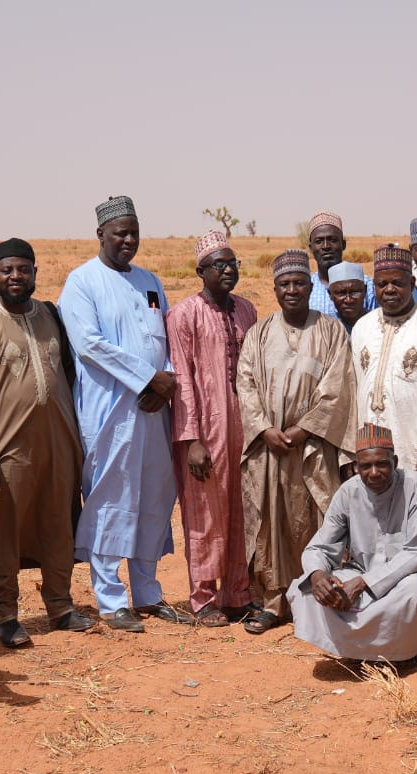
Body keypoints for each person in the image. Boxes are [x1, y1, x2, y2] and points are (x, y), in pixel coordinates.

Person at [59, 196, 192, 632]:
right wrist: (146, 378)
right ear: (101, 235)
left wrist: (167, 379)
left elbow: (168, 339)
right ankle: (111, 599)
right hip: (110, 413)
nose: (128, 240)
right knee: (111, 502)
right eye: (120, 233)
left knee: (154, 497)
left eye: (134, 232)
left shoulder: (150, 281)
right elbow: (89, 344)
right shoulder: (81, 283)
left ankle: (148, 593)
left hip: (154, 412)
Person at [0, 238, 92, 649]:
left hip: (59, 444)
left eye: (23, 270)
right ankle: (5, 614)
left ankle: (60, 606)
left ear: (34, 272)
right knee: (5, 533)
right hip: (9, 451)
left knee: (58, 526)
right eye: (7, 270)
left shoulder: (51, 316)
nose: (16, 277)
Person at [237, 249, 358, 635]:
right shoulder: (258, 334)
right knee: (272, 524)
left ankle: (317, 602)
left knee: (319, 523)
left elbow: (337, 388)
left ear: (310, 286)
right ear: (274, 289)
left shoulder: (330, 331)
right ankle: (274, 603)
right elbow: (246, 385)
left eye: (299, 283)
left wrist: (304, 429)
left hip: (313, 447)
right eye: (284, 284)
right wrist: (264, 429)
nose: (292, 290)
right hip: (270, 448)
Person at [350, 244, 417, 635]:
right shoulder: (362, 327)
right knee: (379, 524)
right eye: (383, 284)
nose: (390, 290)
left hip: (415, 444)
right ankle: (385, 599)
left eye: (398, 283)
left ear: (412, 283)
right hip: (373, 447)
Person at [287, 424, 417, 662]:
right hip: (360, 572)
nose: (374, 472)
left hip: (410, 576)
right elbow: (320, 546)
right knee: (305, 590)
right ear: (356, 467)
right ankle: (357, 650)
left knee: (414, 593)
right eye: (365, 466)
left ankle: (404, 652)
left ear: (394, 461)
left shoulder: (414, 485)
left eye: (382, 464)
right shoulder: (348, 492)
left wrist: (364, 583)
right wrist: (318, 575)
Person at [165, 230, 258, 627]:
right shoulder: (183, 314)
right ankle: (204, 598)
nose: (227, 270)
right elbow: (181, 378)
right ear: (200, 271)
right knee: (205, 513)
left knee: (242, 510)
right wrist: (191, 440)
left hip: (245, 428)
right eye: (218, 264)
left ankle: (238, 593)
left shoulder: (248, 310)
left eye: (232, 263)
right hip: (205, 430)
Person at [307, 210, 375, 316]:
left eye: (332, 240)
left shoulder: (366, 285)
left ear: (343, 245)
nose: (326, 246)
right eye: (319, 241)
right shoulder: (306, 288)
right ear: (311, 248)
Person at [326, 261, 370, 334]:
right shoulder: (326, 327)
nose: (348, 300)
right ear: (330, 294)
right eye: (341, 293)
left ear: (365, 290)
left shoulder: (377, 324)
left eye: (354, 292)